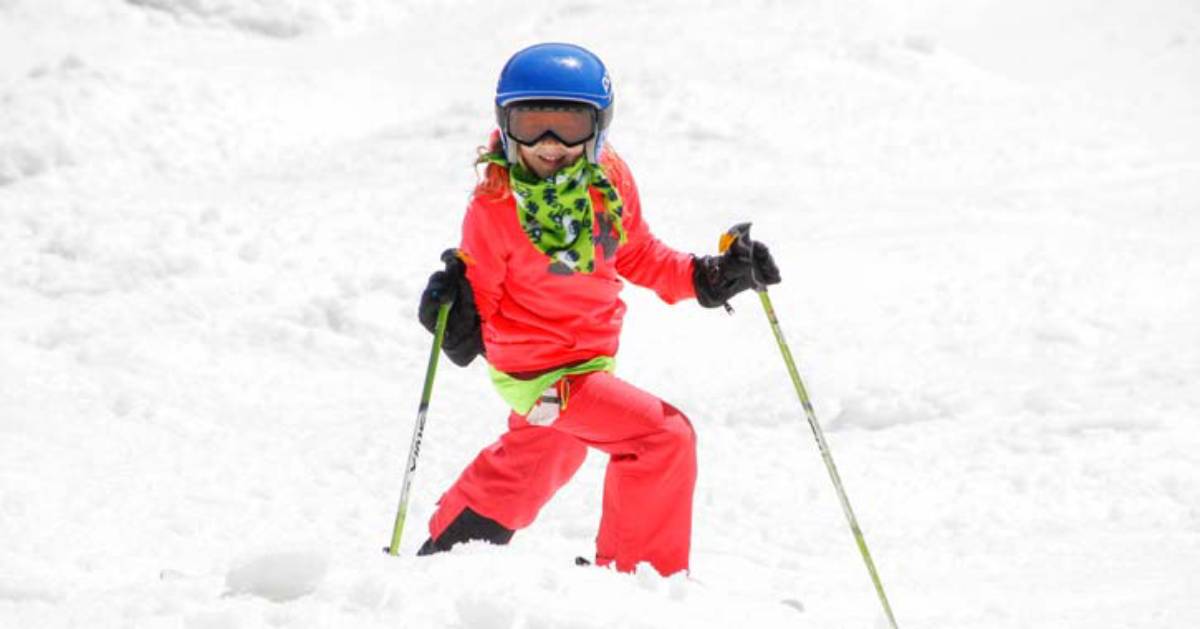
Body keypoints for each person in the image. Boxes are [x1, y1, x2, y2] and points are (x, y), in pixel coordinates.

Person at [415, 42, 780, 577]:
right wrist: (454, 317)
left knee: (545, 456)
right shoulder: (494, 206)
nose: (549, 145)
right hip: (537, 367)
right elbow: (481, 308)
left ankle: (441, 558)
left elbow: (635, 253)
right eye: (530, 125)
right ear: (504, 123)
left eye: (569, 127)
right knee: (662, 437)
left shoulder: (609, 179)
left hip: (588, 357)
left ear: (599, 127)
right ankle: (638, 579)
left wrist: (710, 276)